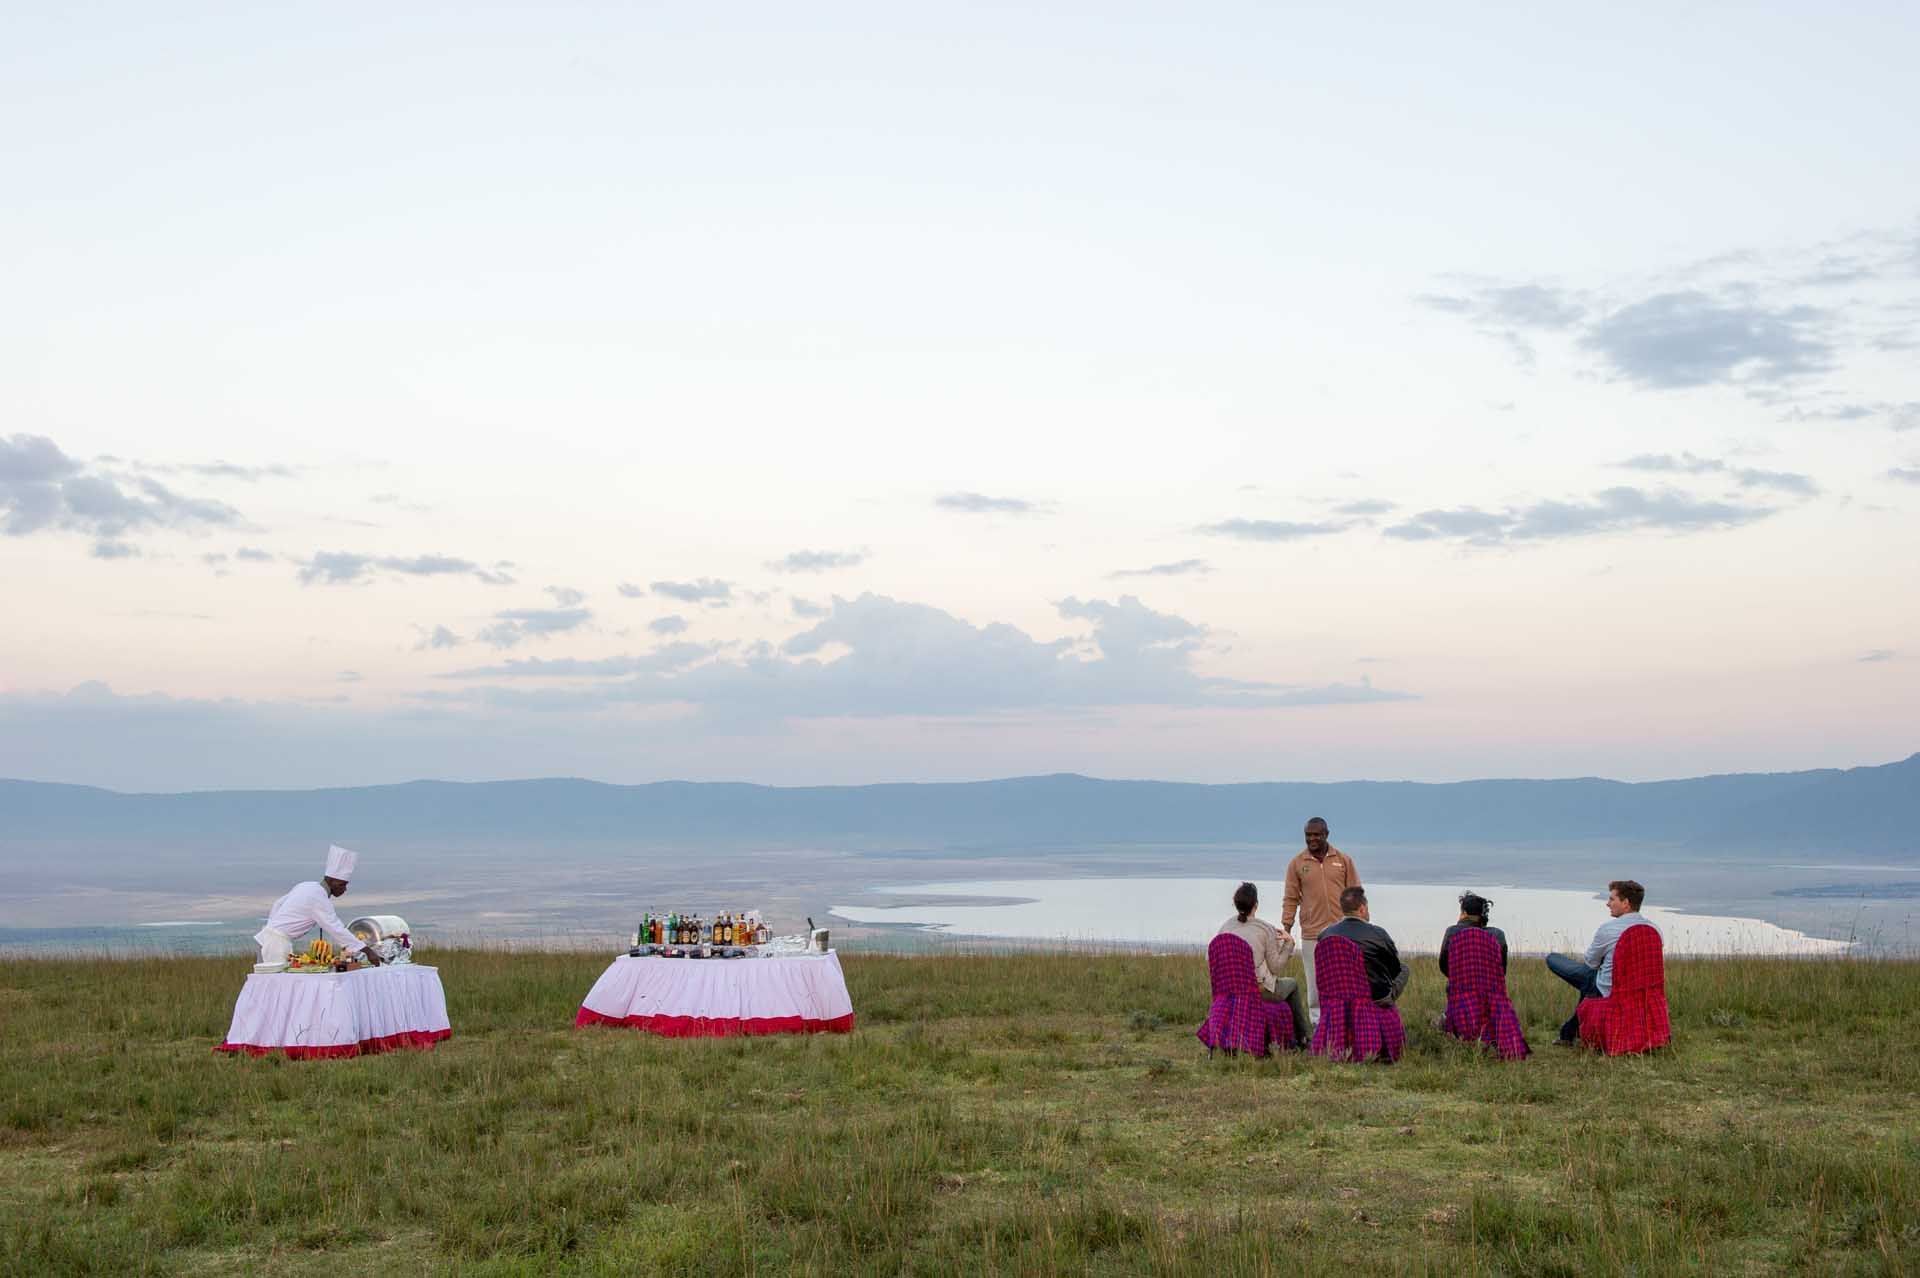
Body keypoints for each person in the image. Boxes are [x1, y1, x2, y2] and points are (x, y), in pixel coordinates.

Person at [1545, 879, 1652, 1045]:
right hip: (1638, 988)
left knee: (1553, 959)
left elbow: (1591, 963)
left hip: (1607, 988)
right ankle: (1567, 1034)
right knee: (1589, 983)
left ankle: (1568, 1035)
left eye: (1612, 899)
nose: (1607, 904)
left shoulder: (1609, 929)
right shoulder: (1654, 930)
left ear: (1625, 903)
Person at [1279, 816, 1361, 1021]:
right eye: (1308, 835)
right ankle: (1317, 1023)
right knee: (1314, 981)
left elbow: (1356, 892)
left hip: (1343, 931)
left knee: (1344, 979)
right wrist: (1286, 929)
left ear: (1327, 834)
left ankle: (1344, 1020)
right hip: (1312, 933)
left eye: (1316, 834)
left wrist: (1362, 922)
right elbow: (1290, 898)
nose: (1312, 839)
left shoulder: (1343, 860)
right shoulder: (1297, 863)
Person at [254, 844, 383, 967]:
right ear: (331, 880)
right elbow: (336, 928)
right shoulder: (318, 896)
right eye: (342, 884)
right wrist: (367, 950)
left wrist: (272, 926)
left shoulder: (307, 885)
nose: (344, 889)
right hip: (275, 945)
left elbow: (278, 904)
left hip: (266, 938)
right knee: (276, 981)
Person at [1216, 881, 1311, 1045]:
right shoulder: (1265, 929)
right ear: (1256, 905)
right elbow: (1276, 967)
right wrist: (1289, 944)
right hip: (1257, 990)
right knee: (1293, 985)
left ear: (1236, 904)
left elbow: (1213, 959)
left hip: (1228, 989)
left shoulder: (1225, 928)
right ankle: (1302, 1039)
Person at [1318, 886, 1408, 1006]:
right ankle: (1386, 1009)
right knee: (1404, 969)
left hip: (1337, 994)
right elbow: (1395, 970)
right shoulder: (1378, 934)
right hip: (1375, 998)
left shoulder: (1325, 934)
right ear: (1362, 909)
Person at [1438, 892, 1509, 979]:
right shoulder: (1498, 935)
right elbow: (1502, 969)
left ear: (1464, 913)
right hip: (1492, 985)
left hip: (1460, 984)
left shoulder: (1452, 932)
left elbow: (1444, 965)